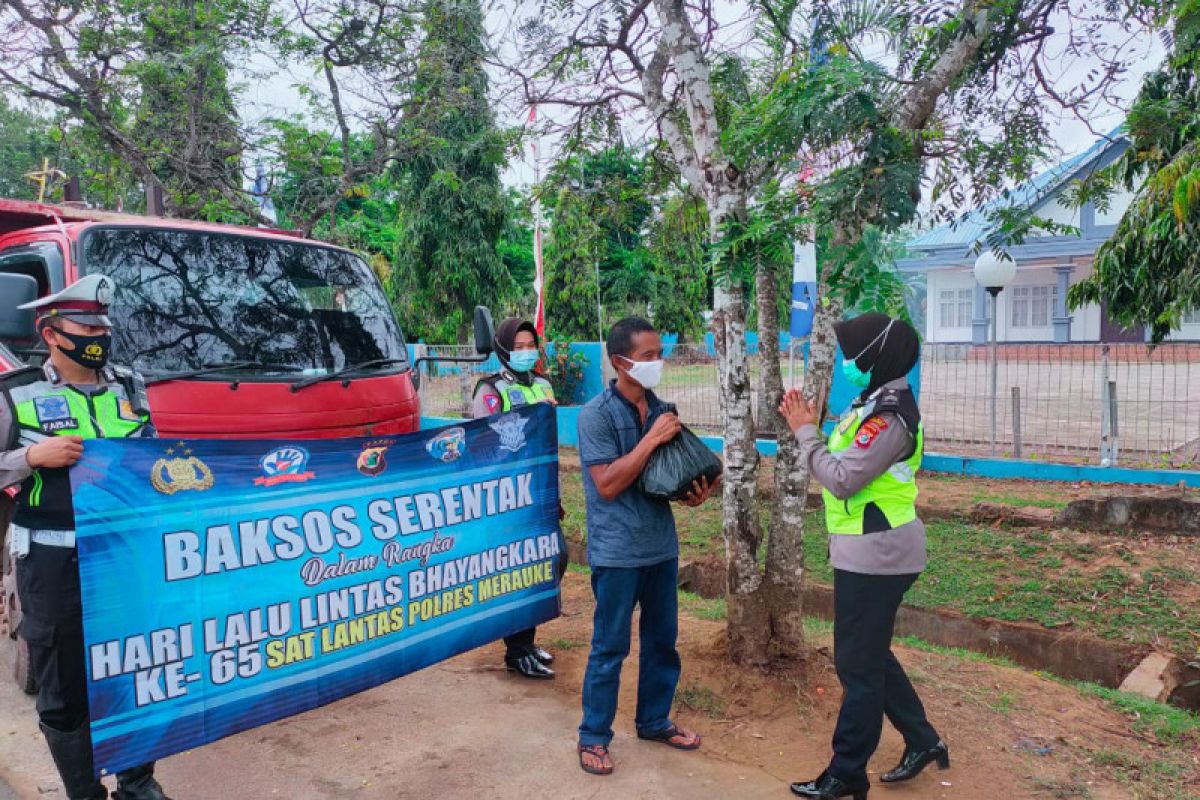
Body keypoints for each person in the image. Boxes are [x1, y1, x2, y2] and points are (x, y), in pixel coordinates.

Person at [1, 275, 172, 800]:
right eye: (87, 328)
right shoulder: (16, 392)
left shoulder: (130, 387)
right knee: (64, 681)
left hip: (126, 555)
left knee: (137, 670)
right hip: (53, 561)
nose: (100, 336)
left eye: (103, 327)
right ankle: (84, 791)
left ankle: (138, 785)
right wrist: (31, 457)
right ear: (51, 334)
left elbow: (154, 459)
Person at [779, 313, 948, 800]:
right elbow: (845, 460)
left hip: (879, 554)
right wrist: (813, 426)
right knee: (868, 655)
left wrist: (805, 432)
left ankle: (847, 771)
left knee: (857, 666)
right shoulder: (870, 404)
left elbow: (842, 479)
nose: (846, 362)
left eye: (853, 353)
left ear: (878, 355)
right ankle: (923, 740)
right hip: (866, 549)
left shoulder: (890, 418)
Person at [574, 316, 719, 776]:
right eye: (649, 355)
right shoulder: (595, 416)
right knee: (609, 648)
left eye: (660, 353)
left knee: (662, 642)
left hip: (660, 547)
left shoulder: (663, 409)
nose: (659, 362)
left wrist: (694, 493)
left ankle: (654, 720)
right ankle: (593, 736)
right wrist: (652, 439)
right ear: (621, 362)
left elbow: (671, 474)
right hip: (617, 552)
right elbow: (607, 484)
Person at [471, 317, 559, 679]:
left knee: (551, 561)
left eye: (530, 346)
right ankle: (517, 650)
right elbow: (482, 442)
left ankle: (527, 640)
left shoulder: (542, 384)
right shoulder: (490, 389)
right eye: (518, 347)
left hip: (542, 488)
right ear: (503, 350)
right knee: (518, 569)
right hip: (508, 493)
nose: (526, 352)